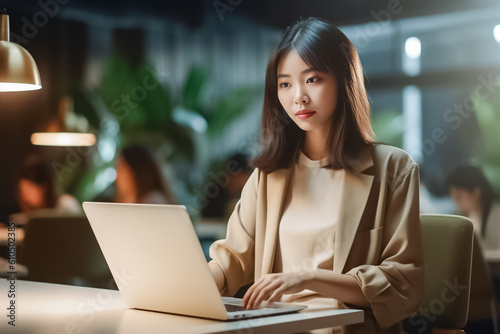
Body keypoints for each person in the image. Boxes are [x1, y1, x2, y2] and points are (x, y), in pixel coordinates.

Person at [207, 17, 424, 334]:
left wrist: (306, 277)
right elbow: (232, 262)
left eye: (313, 79)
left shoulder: (393, 168)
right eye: (285, 84)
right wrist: (189, 284)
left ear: (343, 80)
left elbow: (404, 282)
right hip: (277, 327)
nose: (298, 97)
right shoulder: (268, 176)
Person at [12, 154, 81, 225]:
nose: (25, 197)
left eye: (28, 191)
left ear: (44, 187)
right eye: (22, 191)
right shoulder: (28, 214)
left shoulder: (66, 205)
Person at [447, 165, 500, 249]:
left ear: (476, 192)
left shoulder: (497, 215)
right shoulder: (472, 216)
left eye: (459, 196)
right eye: (453, 197)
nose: (456, 201)